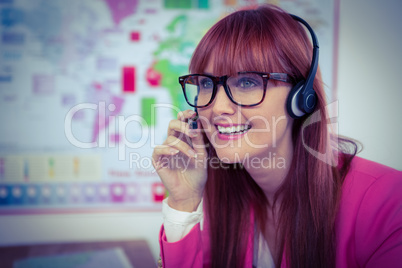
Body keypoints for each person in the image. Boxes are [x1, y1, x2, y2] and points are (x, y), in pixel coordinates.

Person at [152, 4, 402, 268]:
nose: (217, 108)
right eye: (205, 83)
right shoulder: (218, 194)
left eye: (247, 82)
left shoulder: (387, 201)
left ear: (300, 98)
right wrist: (184, 201)